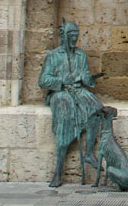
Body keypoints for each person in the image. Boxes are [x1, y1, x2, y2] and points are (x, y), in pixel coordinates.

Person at [39, 21, 105, 187]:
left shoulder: (80, 55)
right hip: (60, 92)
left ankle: (89, 152)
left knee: (95, 108)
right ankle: (58, 170)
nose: (74, 39)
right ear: (64, 36)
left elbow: (84, 76)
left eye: (76, 36)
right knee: (65, 116)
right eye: (71, 36)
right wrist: (61, 81)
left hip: (78, 90)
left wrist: (91, 79)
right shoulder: (53, 56)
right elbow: (43, 80)